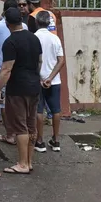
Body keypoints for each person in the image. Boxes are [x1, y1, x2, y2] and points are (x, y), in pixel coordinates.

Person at [0, 7, 43, 175]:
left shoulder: (10, 42)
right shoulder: (34, 38)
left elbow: (6, 69)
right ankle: (29, 162)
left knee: (20, 126)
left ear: (7, 24)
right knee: (31, 125)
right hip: (34, 86)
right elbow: (39, 61)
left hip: (18, 88)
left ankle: (22, 164)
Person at [0, 0, 27, 140]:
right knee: (18, 104)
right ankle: (19, 132)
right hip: (18, 71)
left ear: (4, 11)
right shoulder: (24, 27)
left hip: (0, 71)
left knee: (2, 104)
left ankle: (10, 134)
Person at [34, 11, 65, 153]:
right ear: (48, 23)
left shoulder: (33, 38)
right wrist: (50, 78)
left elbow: (33, 61)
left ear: (36, 22)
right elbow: (61, 61)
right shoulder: (55, 39)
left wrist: (41, 78)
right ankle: (56, 140)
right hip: (54, 81)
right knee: (56, 110)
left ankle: (39, 141)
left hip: (38, 80)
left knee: (38, 110)